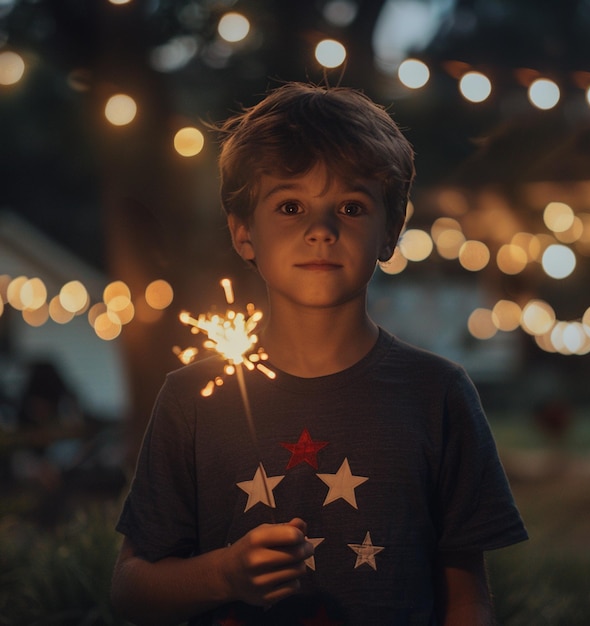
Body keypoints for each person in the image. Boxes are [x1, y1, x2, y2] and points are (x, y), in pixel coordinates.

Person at [111, 82, 528, 626]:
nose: (321, 230)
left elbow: (467, 594)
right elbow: (130, 592)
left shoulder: (438, 394)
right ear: (243, 234)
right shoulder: (190, 400)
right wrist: (225, 575)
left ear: (391, 231)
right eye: (290, 205)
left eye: (351, 207)